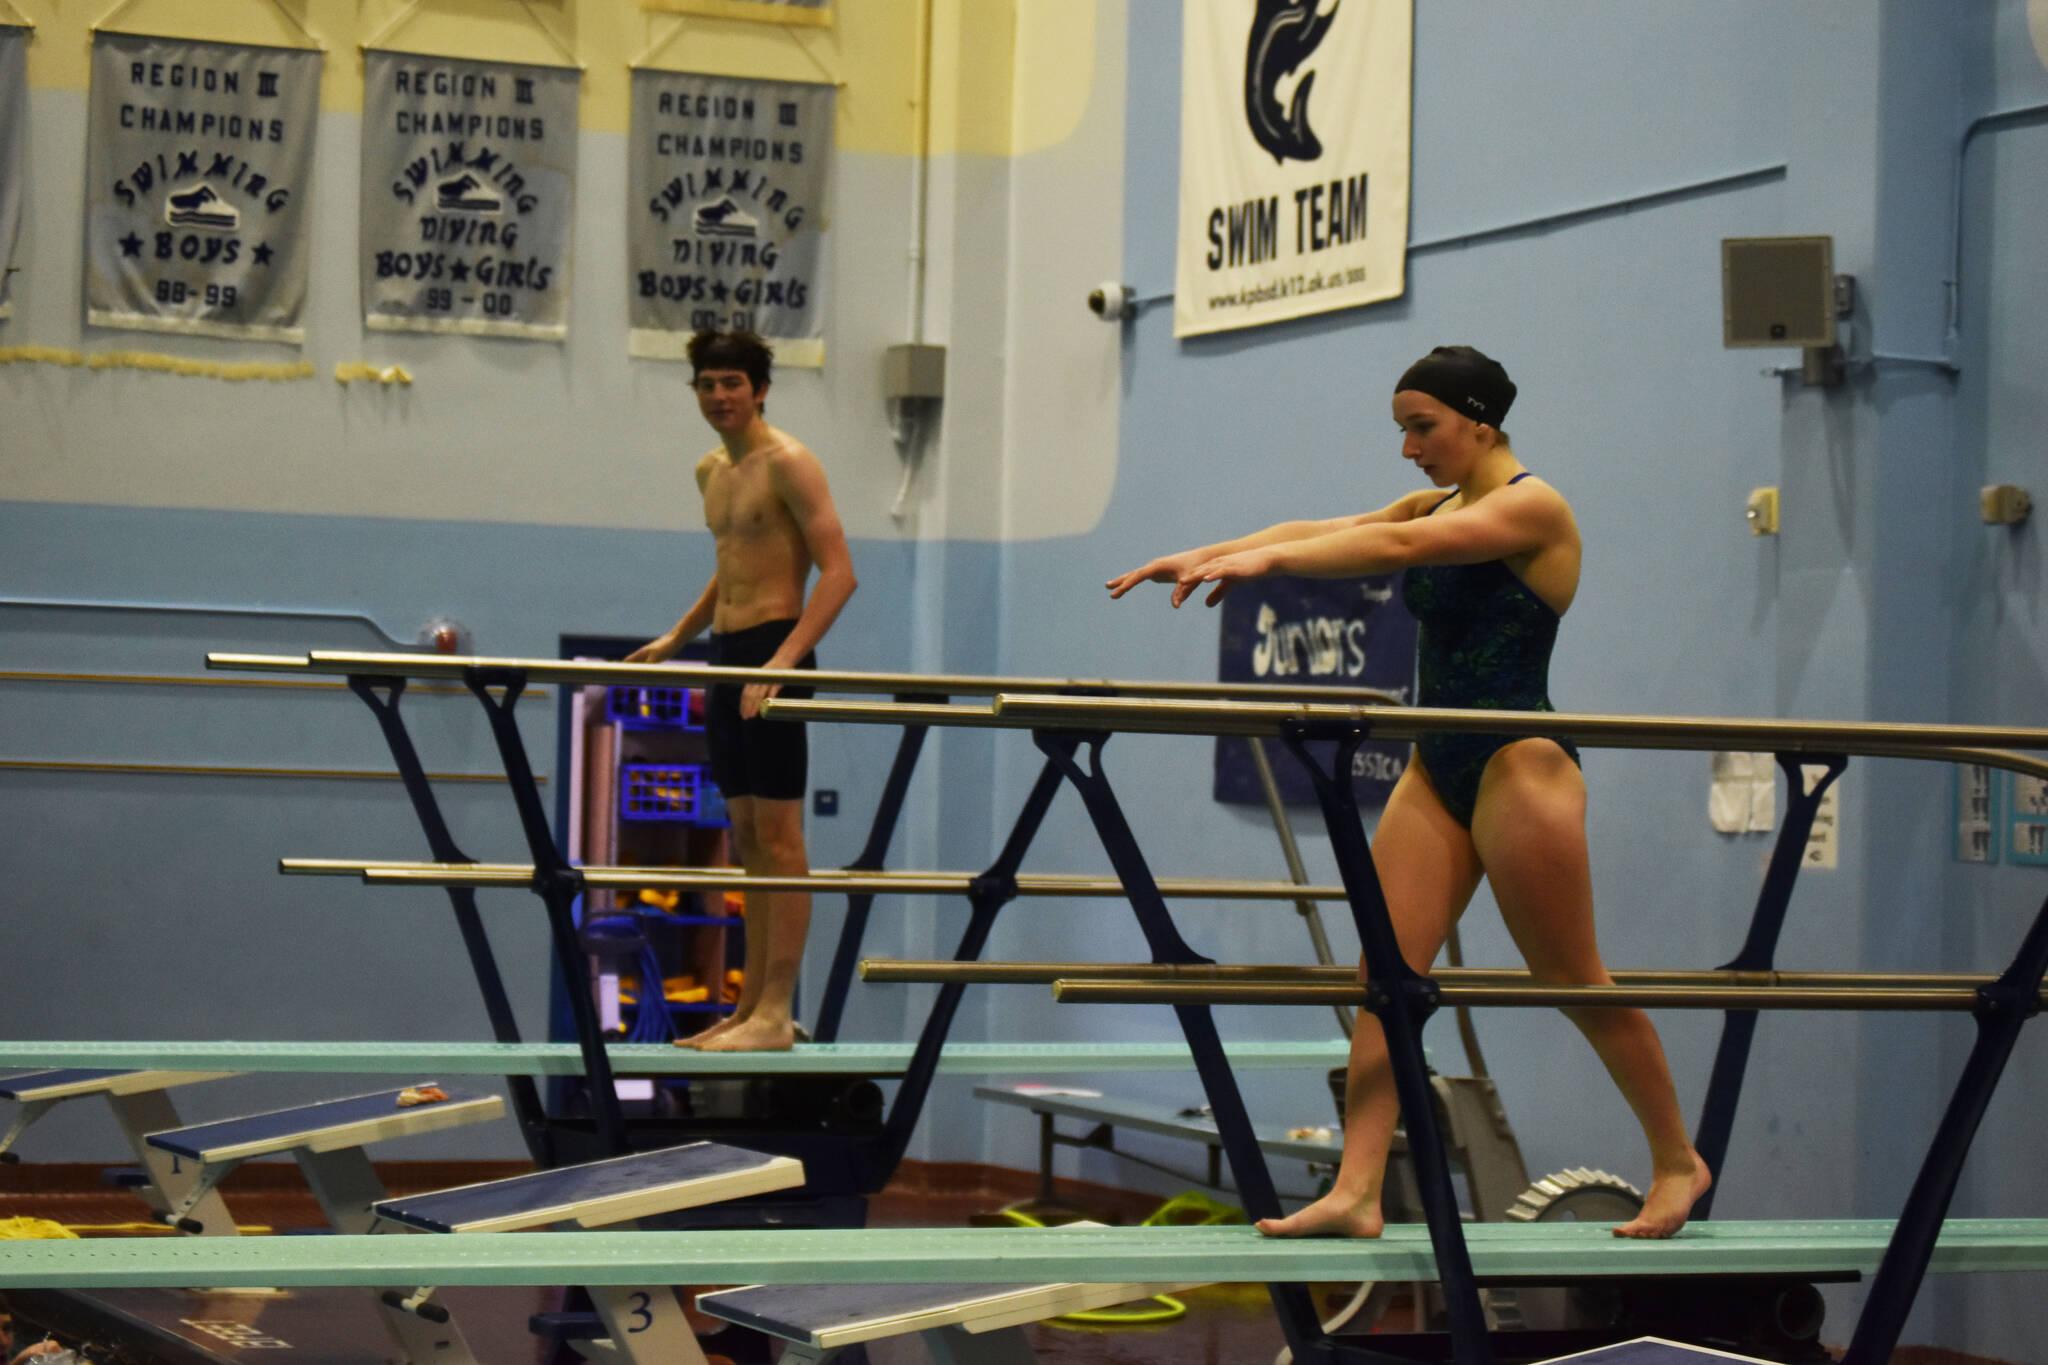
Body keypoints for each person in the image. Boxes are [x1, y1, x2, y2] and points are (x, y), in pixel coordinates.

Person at [1105, 346, 1710, 1239]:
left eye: (1420, 428)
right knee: (1384, 975)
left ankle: (1676, 1160)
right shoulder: (1441, 500)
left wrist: (1261, 569)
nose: (1408, 450)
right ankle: (1357, 1190)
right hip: (1439, 763)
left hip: (1516, 759)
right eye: (1401, 431)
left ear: (1480, 419)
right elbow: (1334, 523)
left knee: (1570, 977)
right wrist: (1202, 554)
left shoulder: (1533, 507)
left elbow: (1395, 546)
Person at [628, 329, 857, 1052]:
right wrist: (677, 637)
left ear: (760, 389)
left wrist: (782, 663)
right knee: (748, 837)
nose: (720, 396)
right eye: (707, 384)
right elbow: (731, 566)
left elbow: (839, 571)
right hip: (727, 657)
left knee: (782, 839)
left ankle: (777, 1010)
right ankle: (749, 1003)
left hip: (772, 654)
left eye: (732, 383)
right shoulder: (712, 472)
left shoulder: (789, 463)